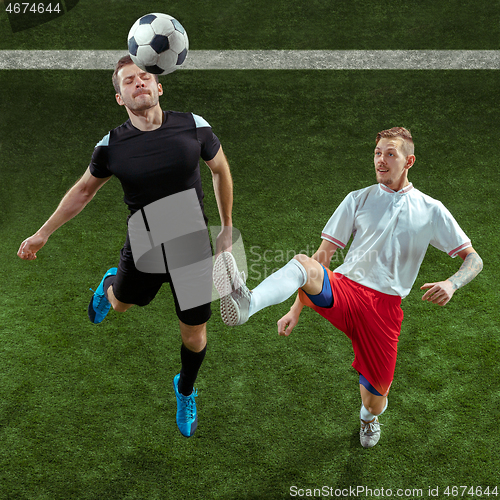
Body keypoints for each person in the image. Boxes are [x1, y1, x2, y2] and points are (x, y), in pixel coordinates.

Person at [213, 127, 482, 448]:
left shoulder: (431, 209)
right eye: (377, 153)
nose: (381, 160)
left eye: (390, 154)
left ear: (409, 160)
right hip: (345, 289)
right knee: (302, 262)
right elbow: (322, 257)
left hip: (384, 311)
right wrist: (296, 309)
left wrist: (452, 283)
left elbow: (474, 259)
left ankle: (369, 419)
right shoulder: (358, 199)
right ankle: (248, 303)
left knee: (374, 400)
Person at [18, 55, 233, 438]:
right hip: (146, 243)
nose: (138, 84)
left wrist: (227, 227)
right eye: (129, 81)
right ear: (120, 98)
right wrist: (43, 232)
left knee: (195, 334)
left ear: (159, 86)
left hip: (192, 246)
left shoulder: (194, 127)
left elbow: (220, 170)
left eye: (145, 77)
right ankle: (108, 286)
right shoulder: (112, 145)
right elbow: (83, 191)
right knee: (121, 303)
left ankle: (184, 389)